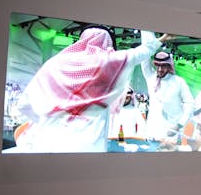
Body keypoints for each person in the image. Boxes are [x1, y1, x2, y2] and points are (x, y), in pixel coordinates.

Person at [10, 27, 166, 153]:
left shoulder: (56, 63)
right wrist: (156, 33)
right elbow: (143, 51)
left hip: (47, 141)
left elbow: (28, 102)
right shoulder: (107, 62)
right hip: (88, 145)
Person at [141, 50, 195, 144]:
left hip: (172, 134)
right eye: (157, 65)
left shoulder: (179, 82)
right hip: (153, 132)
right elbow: (145, 56)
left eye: (163, 66)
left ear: (169, 66)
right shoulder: (151, 77)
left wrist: (179, 125)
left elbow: (190, 104)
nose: (160, 69)